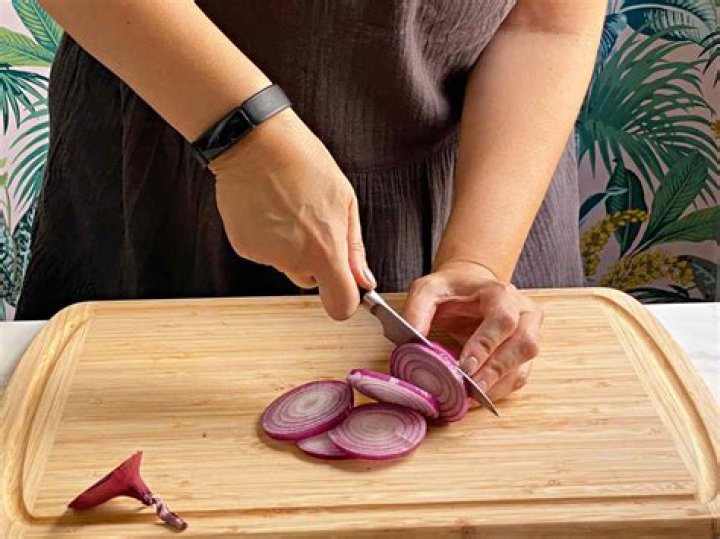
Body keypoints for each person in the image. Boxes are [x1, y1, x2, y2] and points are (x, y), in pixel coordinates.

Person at [17, 1, 605, 401]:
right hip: (168, 162)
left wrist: (478, 259)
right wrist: (245, 140)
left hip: (487, 180)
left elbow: (546, 23)